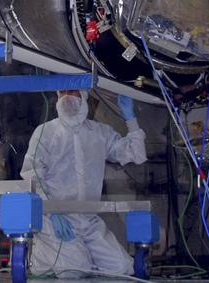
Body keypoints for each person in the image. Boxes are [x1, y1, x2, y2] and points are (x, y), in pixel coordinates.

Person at [20, 89, 146, 278]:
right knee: (74, 270)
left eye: (73, 91)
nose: (68, 97)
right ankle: (41, 258)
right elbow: (32, 174)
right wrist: (51, 211)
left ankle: (73, 256)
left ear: (84, 96)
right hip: (54, 218)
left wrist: (130, 118)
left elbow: (135, 154)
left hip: (89, 220)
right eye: (63, 92)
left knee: (122, 267)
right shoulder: (46, 131)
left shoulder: (100, 132)